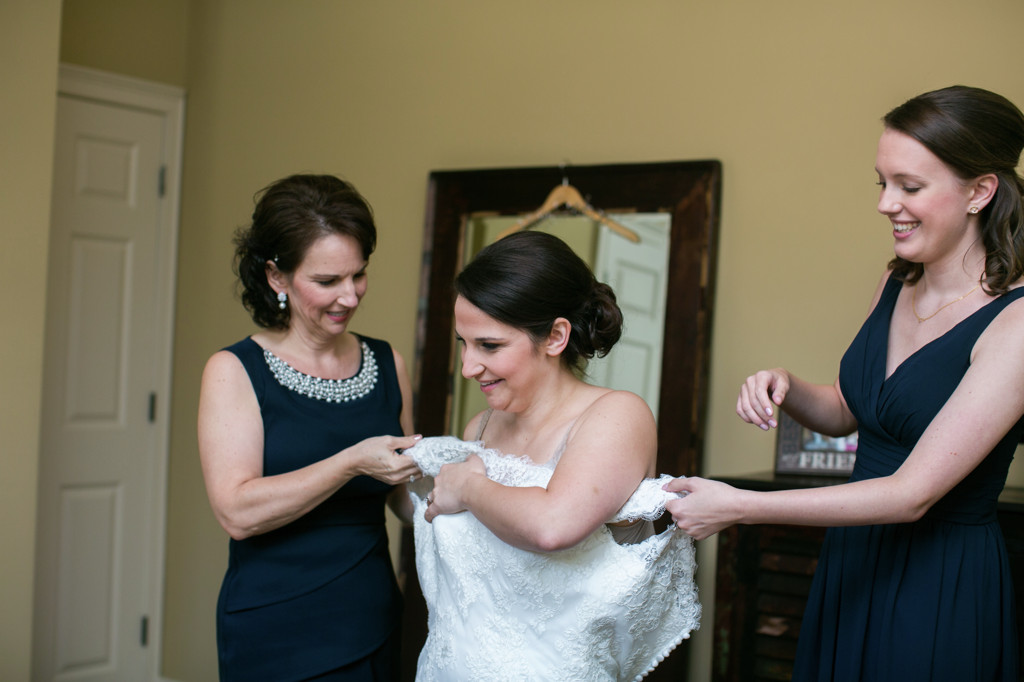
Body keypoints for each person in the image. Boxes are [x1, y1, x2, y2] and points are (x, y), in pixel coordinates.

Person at [665, 85, 1024, 681]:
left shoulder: (1016, 322)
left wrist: (741, 506)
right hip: (853, 563)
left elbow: (911, 494)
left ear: (979, 192)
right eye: (882, 183)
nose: (886, 203)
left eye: (910, 186)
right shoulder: (896, 282)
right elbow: (845, 411)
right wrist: (786, 385)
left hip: (938, 581)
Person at [405, 230, 700, 681]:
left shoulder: (617, 415)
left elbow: (552, 526)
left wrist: (467, 488)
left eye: (489, 345)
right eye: (464, 343)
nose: (468, 367)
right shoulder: (481, 427)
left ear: (556, 336)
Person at [197, 174, 423, 681]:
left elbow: (404, 500)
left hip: (371, 615)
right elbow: (237, 512)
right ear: (277, 276)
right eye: (327, 281)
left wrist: (469, 479)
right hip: (275, 625)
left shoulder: (388, 363)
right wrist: (350, 463)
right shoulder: (234, 371)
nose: (350, 296)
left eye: (358, 275)